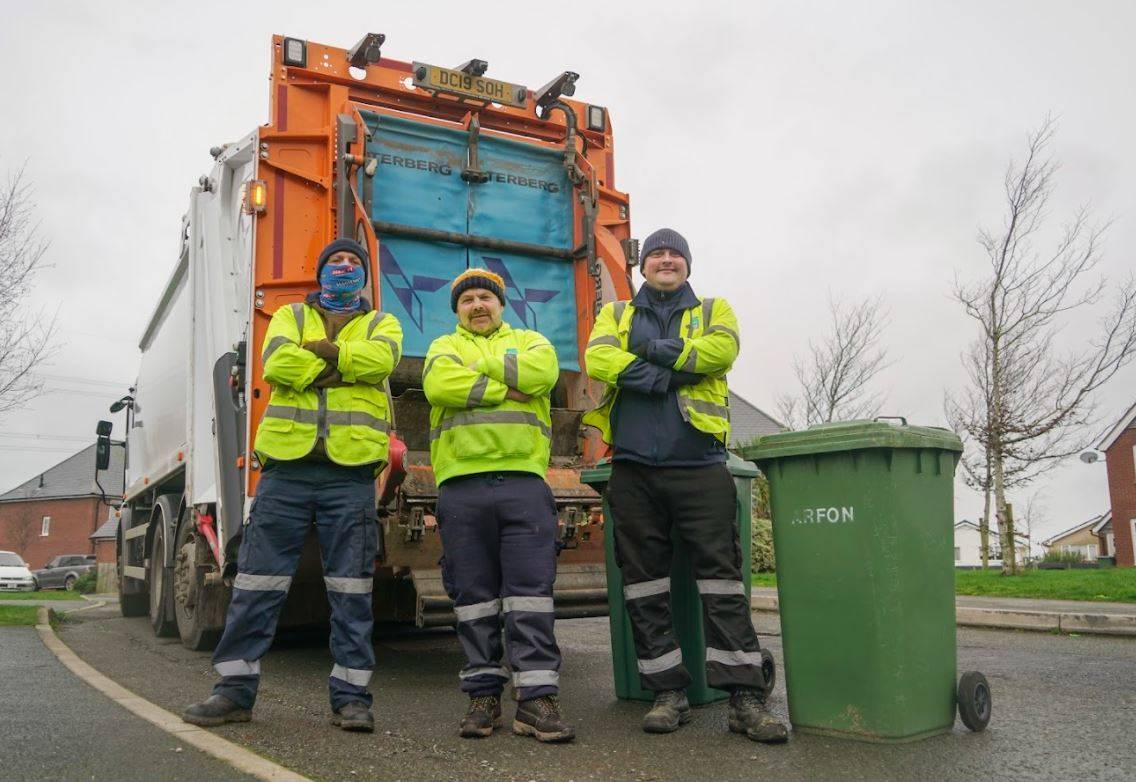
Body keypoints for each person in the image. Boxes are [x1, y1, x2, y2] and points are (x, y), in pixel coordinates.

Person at [183, 237, 402, 733]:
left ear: (363, 275)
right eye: (335, 262)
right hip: (286, 469)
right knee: (258, 583)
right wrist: (345, 362)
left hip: (349, 475)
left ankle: (351, 698)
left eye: (352, 263)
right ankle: (233, 692)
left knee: (351, 589)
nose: (343, 268)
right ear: (320, 272)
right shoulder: (287, 316)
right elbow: (278, 365)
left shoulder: (383, 324)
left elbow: (380, 364)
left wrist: (320, 357)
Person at [583, 228, 788, 744]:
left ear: (688, 265)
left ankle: (744, 697)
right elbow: (599, 359)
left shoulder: (715, 309)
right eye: (656, 253)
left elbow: (719, 353)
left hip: (700, 465)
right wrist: (669, 371)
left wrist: (650, 353)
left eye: (675, 253)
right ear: (643, 266)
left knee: (721, 583)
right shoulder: (616, 314)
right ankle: (667, 693)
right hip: (631, 468)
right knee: (644, 584)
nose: (666, 259)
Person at [422, 268, 574, 743]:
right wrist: (507, 385)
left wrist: (481, 375)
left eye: (486, 296)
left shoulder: (533, 342)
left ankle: (536, 702)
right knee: (474, 598)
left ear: (501, 304)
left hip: (524, 482)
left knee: (531, 594)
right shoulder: (442, 348)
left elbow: (543, 375)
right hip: (461, 485)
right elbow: (439, 387)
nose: (477, 305)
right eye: (467, 300)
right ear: (457, 311)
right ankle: (483, 697)